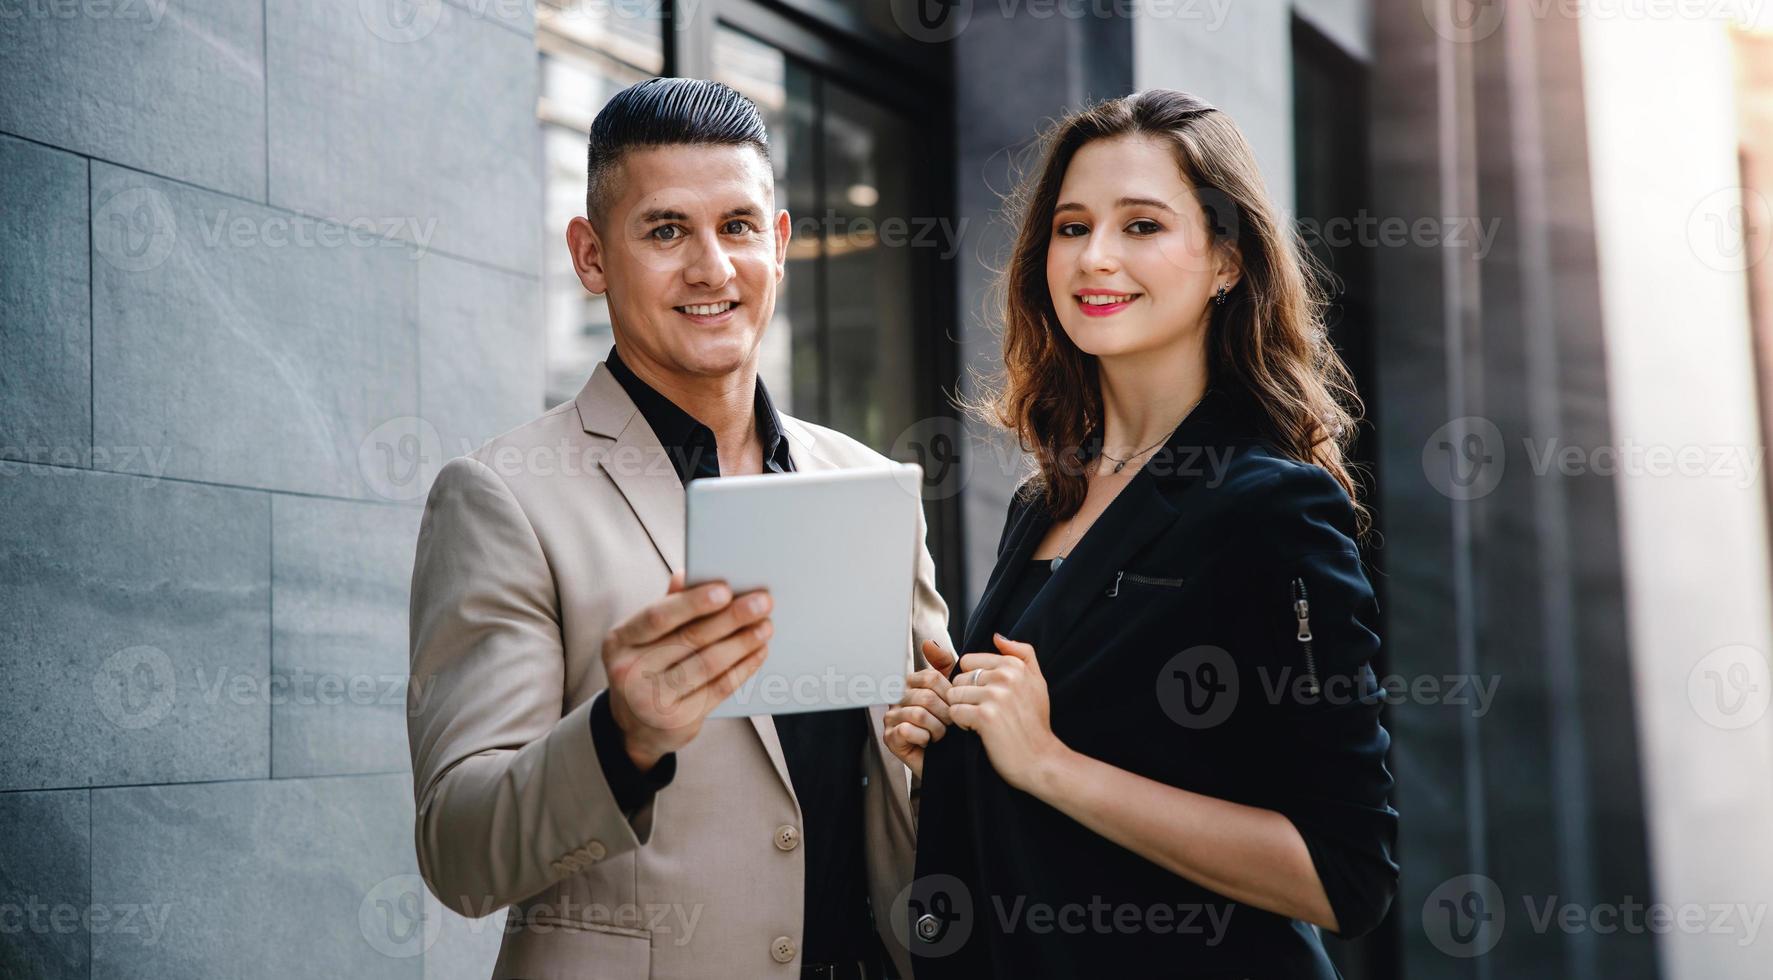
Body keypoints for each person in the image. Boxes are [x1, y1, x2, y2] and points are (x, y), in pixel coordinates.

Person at [408, 77, 949, 979]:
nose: (710, 267)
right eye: (665, 231)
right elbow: (459, 852)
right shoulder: (502, 497)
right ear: (590, 257)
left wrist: (942, 747)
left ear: (777, 247)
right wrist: (621, 736)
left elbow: (919, 789)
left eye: (737, 227)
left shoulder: (865, 481)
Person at [883, 89, 1398, 978]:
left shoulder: (1271, 507)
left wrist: (1046, 761)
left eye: (1143, 226)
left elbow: (1343, 875)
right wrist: (955, 735)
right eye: (1072, 226)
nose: (1096, 258)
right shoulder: (1044, 503)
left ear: (1226, 261)